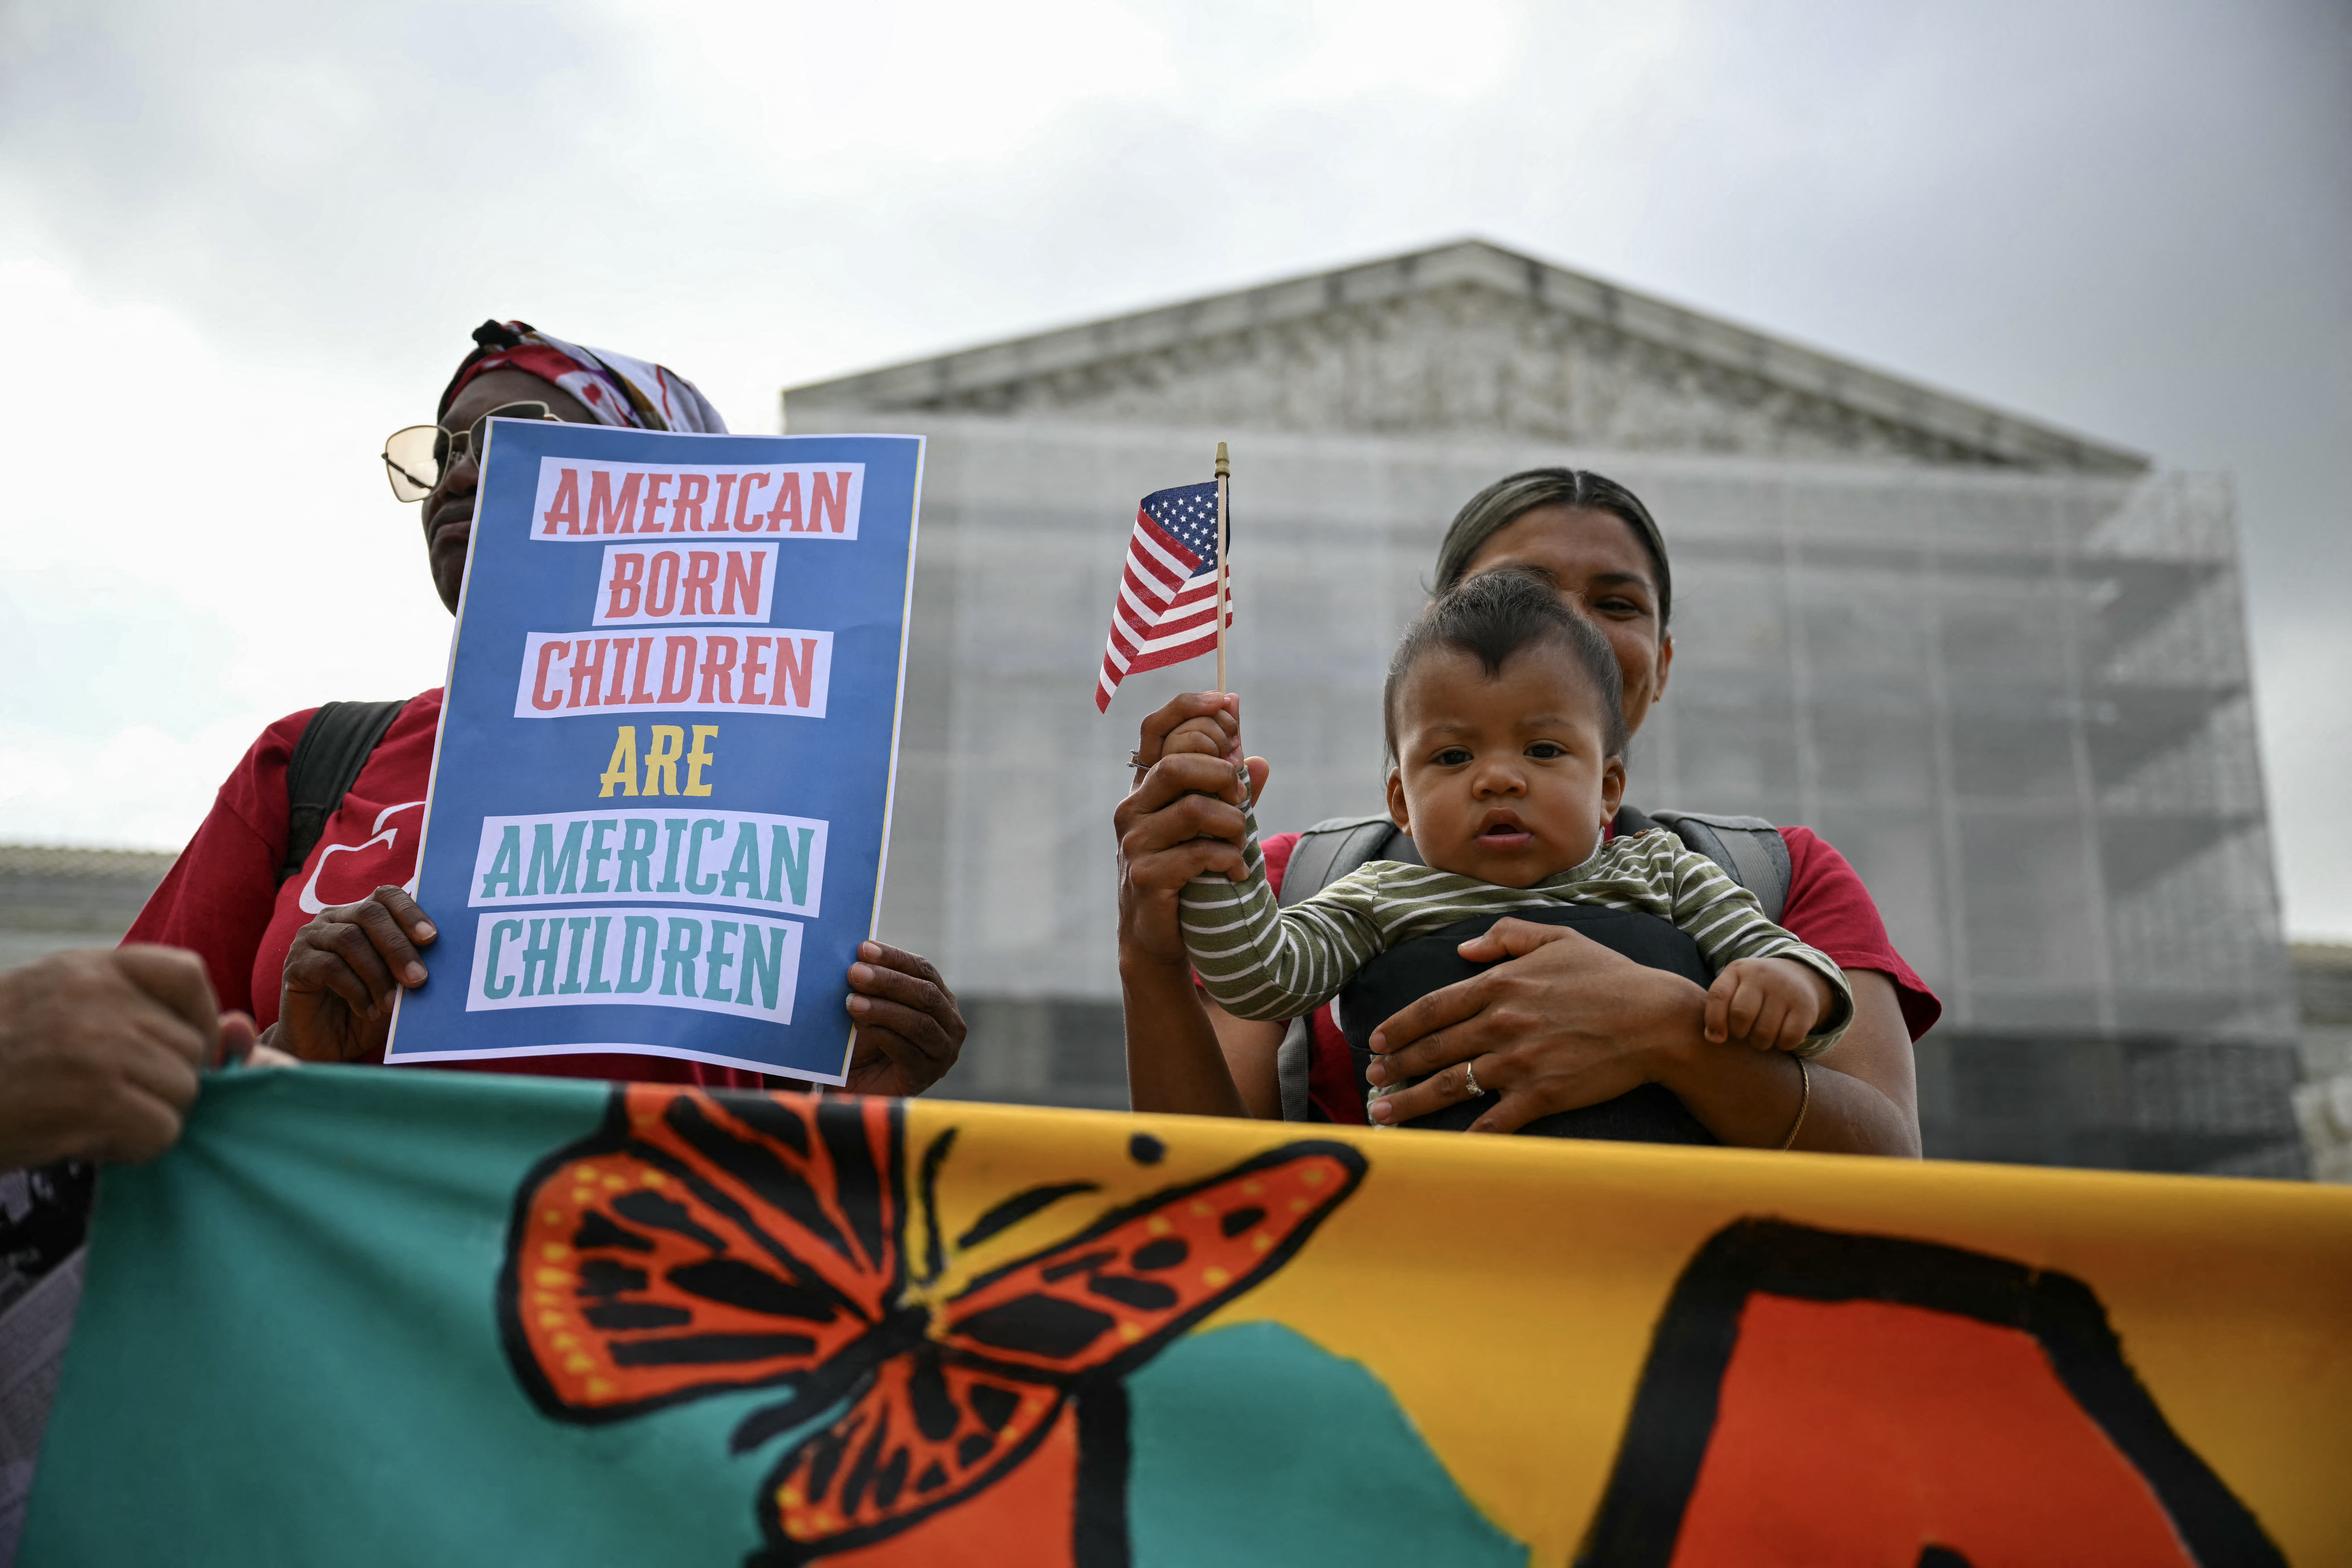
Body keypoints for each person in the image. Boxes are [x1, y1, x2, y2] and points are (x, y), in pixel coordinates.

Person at [125, 322, 965, 1096]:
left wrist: (857, 1103)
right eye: (443, 449)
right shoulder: (313, 759)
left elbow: (759, 1175)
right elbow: (106, 1079)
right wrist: (293, 1057)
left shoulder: (779, 790)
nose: (454, 477)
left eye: (515, 440)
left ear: (674, 494)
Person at [1118, 468, 1933, 1154]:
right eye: (1517, 597)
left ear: (1664, 661)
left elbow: (1888, 1165)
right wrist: (1155, 947)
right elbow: (1208, 1165)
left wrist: (1673, 1032)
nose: (1565, 630)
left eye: (1616, 604)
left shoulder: (1760, 875)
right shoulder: (1316, 883)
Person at [1175, 570, 1851, 1136]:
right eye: (1453, 755)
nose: (1498, 777)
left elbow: (1774, 954)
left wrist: (1793, 988)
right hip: (1440, 1237)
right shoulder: (1374, 896)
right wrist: (1217, 844)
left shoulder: (1667, 872)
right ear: (1402, 802)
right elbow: (1259, 978)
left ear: (1608, 788)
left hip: (1659, 1230)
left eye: (1544, 750)